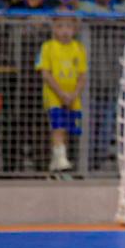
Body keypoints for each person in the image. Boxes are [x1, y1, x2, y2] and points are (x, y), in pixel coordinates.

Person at [36, 12, 88, 173]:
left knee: (68, 129)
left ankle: (56, 161)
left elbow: (82, 75)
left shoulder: (79, 48)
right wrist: (61, 93)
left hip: (73, 97)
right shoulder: (48, 47)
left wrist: (74, 94)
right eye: (60, 26)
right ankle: (61, 159)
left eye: (68, 26)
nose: (64, 31)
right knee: (57, 127)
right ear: (53, 28)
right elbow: (45, 73)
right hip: (54, 95)